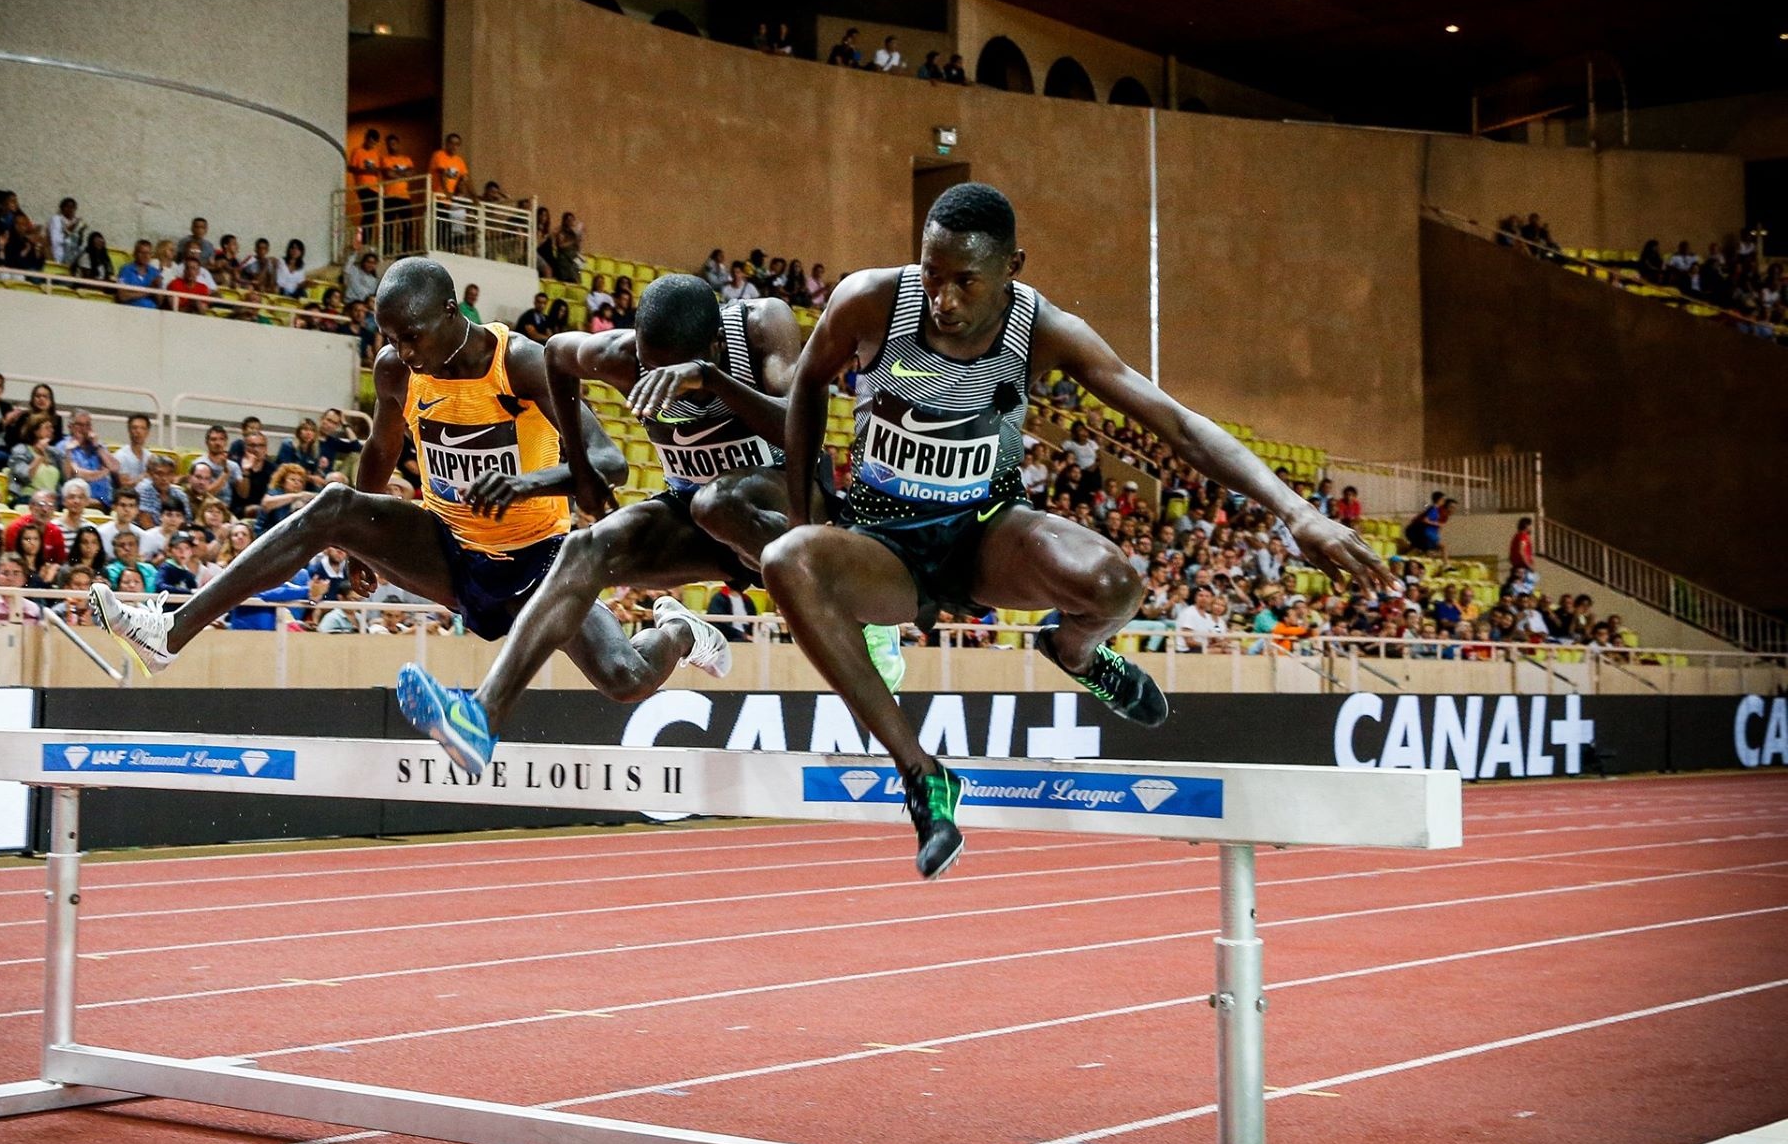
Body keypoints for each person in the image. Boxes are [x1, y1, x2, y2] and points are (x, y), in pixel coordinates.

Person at [759, 183, 1396, 878]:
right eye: (932, 274)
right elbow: (808, 386)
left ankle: (1078, 652)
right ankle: (923, 774)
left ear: (1013, 268)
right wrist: (805, 513)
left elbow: (1178, 424)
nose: (942, 299)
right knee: (788, 556)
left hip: (984, 531)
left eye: (965, 281)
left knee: (1116, 583)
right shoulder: (873, 300)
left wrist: (1295, 509)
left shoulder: (1046, 330)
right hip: (883, 544)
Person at [89, 257, 697, 722]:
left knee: (626, 677)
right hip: (448, 546)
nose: (404, 352)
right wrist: (360, 546)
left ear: (452, 313)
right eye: (392, 339)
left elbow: (608, 462)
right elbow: (380, 452)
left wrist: (522, 484)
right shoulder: (397, 369)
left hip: (537, 562)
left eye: (413, 336)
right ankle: (168, 631)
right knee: (332, 506)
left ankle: (681, 631)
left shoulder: (521, 363)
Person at [396, 274, 907, 776]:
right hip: (694, 517)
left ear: (710, 345)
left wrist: (712, 380)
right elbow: (555, 355)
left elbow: (804, 429)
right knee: (584, 549)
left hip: (788, 511)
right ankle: (482, 716)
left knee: (716, 501)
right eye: (647, 364)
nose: (656, 382)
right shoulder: (621, 356)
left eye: (670, 373)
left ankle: (850, 606)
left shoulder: (760, 325)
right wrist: (580, 468)